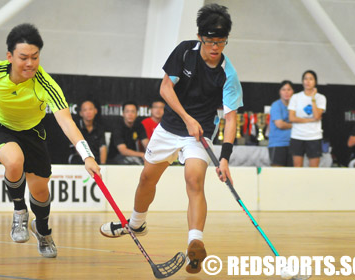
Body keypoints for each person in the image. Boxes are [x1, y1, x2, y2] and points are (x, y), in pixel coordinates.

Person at [100, 4, 242, 274]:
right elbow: (165, 88)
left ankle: (195, 243)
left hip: (198, 137)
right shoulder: (185, 52)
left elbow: (231, 117)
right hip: (169, 129)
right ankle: (136, 223)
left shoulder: (228, 74)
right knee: (147, 179)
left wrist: (225, 158)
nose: (216, 47)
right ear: (201, 36)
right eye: (211, 40)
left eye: (221, 41)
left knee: (194, 180)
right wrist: (187, 118)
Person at [0, 23, 100, 258]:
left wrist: (87, 156)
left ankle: (43, 230)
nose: (29, 63)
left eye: (35, 57)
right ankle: (20, 211)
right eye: (23, 58)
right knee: (13, 160)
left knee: (40, 191)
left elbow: (67, 122)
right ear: (9, 56)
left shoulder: (46, 84)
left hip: (31, 132)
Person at [288, 70, 326, 167]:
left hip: (314, 136)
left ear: (315, 82)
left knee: (313, 170)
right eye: (305, 79)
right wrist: (310, 120)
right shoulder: (295, 97)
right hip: (297, 136)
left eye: (311, 79)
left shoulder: (321, 98)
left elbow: (317, 116)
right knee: (297, 168)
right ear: (302, 81)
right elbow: (292, 118)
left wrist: (313, 99)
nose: (308, 81)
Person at [107, 101, 148, 165]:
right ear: (123, 113)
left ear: (136, 114)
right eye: (127, 111)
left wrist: (151, 155)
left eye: (133, 111)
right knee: (134, 163)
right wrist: (142, 154)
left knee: (149, 163)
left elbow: (146, 144)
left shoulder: (139, 126)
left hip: (134, 156)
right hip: (116, 157)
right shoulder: (117, 127)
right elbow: (123, 151)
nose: (130, 114)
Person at [69, 100, 107, 164]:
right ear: (81, 113)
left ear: (95, 111)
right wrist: (88, 161)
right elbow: (77, 147)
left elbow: (102, 148)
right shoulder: (76, 128)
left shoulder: (99, 128)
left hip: (95, 159)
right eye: (85, 110)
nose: (88, 112)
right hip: (80, 159)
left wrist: (103, 165)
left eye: (90, 109)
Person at [268, 81, 294, 166]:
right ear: (280, 91)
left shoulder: (296, 106)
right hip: (277, 144)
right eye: (283, 89)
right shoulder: (276, 105)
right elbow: (280, 124)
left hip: (293, 144)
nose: (286, 92)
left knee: (293, 175)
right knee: (277, 175)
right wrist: (295, 125)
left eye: (289, 89)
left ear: (293, 91)